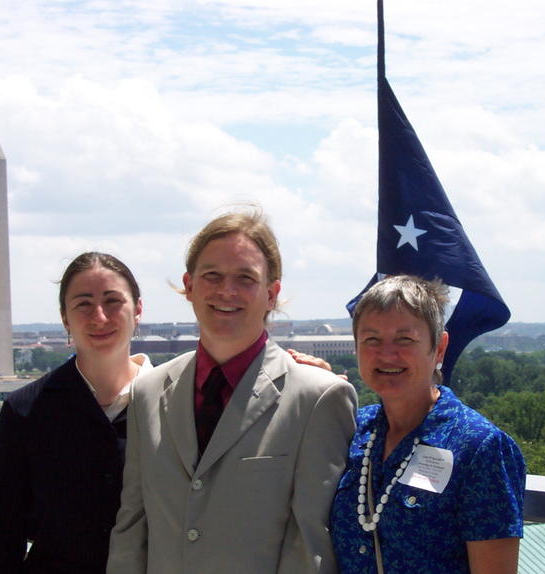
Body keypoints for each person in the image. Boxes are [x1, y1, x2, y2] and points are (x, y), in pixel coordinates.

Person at [107, 210, 358, 574]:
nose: (227, 290)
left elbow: (309, 546)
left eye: (245, 278)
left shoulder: (317, 399)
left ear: (271, 294)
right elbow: (132, 525)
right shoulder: (147, 391)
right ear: (189, 285)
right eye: (212, 276)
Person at [330, 275, 525, 574]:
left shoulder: (478, 447)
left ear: (440, 347)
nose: (387, 354)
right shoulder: (353, 430)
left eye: (405, 339)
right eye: (372, 339)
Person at [0, 252, 152, 574]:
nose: (99, 316)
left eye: (113, 301)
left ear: (138, 309)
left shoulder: (171, 403)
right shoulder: (25, 411)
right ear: (65, 317)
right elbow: (0, 537)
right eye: (83, 303)